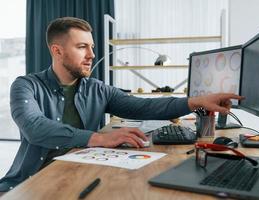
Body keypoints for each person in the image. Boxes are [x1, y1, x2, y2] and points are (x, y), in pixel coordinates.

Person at [0, 17, 243, 192]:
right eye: (82, 46)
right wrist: (99, 138)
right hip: (29, 183)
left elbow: (145, 107)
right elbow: (35, 127)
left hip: (80, 173)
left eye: (92, 47)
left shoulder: (98, 89)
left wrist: (196, 101)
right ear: (57, 51)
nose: (92, 55)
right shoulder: (25, 86)